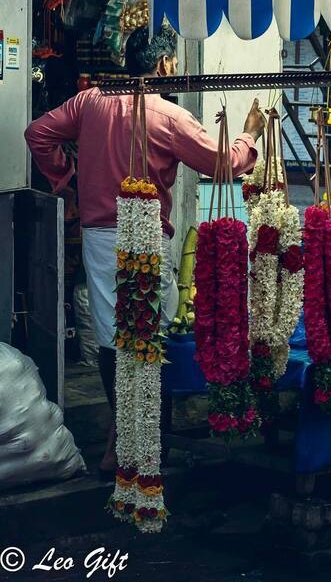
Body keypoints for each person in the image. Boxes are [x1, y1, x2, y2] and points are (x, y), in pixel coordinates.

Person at [25, 24, 264, 473]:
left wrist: (66, 179)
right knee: (148, 332)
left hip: (99, 237)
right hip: (147, 236)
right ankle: (139, 436)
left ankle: (126, 433)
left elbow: (38, 134)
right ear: (164, 65)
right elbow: (225, 165)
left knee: (115, 337)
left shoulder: (89, 102)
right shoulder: (169, 117)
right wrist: (248, 134)